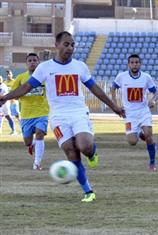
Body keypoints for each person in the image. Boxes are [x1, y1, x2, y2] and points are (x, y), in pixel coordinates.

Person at [0, 31, 124, 202]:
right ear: (56, 45)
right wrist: (5, 97)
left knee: (85, 146)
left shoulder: (79, 66)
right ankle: (88, 192)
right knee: (71, 152)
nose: (70, 48)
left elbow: (95, 88)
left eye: (72, 45)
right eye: (66, 44)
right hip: (58, 117)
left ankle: (92, 153)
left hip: (78, 113)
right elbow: (26, 87)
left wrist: (114, 107)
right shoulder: (45, 68)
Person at [111, 54, 158, 171]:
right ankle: (143, 136)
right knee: (132, 142)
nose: (134, 64)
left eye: (137, 62)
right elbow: (113, 88)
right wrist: (115, 104)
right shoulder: (121, 76)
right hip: (129, 114)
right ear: (128, 64)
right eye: (132, 62)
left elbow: (155, 92)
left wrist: (152, 100)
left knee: (149, 134)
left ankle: (152, 163)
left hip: (143, 112)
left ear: (140, 64)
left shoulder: (146, 77)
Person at [11, 53, 49, 170]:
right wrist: (22, 92)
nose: (32, 62)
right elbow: (14, 94)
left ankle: (37, 163)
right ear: (26, 63)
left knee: (39, 134)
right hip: (26, 114)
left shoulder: (45, 77)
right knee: (27, 142)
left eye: (34, 60)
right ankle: (32, 145)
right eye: (30, 60)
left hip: (42, 112)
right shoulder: (21, 78)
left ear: (38, 62)